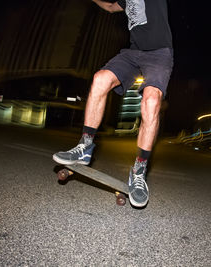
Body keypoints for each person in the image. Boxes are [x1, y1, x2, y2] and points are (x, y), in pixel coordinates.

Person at [53, 0, 173, 208]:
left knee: (151, 100)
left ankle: (139, 170)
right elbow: (110, 7)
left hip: (159, 54)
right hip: (132, 53)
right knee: (100, 79)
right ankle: (85, 146)